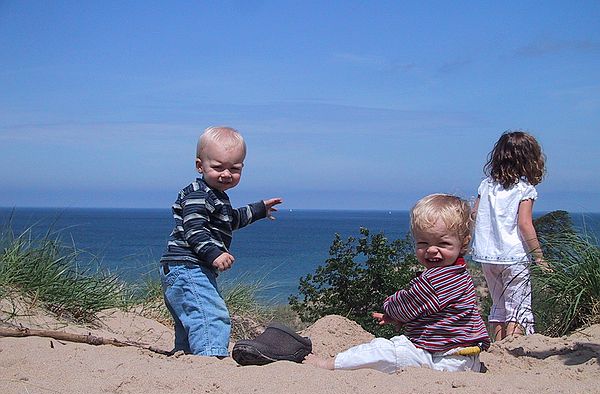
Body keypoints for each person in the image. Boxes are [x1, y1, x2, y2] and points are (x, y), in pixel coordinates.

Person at [304, 194, 490, 373]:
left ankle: (328, 364)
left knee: (386, 349)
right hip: (466, 357)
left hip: (444, 360)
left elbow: (407, 302)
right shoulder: (460, 273)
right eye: (423, 243)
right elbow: (429, 308)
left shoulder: (437, 280)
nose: (432, 250)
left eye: (443, 244)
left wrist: (391, 309)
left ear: (463, 243)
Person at [159, 126, 282, 357]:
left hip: (185, 267)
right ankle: (210, 357)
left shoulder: (215, 196)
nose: (226, 174)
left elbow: (231, 219)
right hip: (188, 266)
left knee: (192, 317)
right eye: (218, 167)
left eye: (234, 169)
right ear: (200, 166)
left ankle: (186, 354)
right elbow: (194, 230)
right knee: (211, 314)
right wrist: (214, 254)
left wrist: (259, 210)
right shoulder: (198, 193)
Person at [471, 131, 547, 341]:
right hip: (514, 256)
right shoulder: (525, 189)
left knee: (499, 304)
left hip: (488, 256)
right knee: (518, 306)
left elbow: (475, 214)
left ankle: (498, 346)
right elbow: (525, 224)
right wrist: (539, 257)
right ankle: (513, 348)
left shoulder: (486, 185)